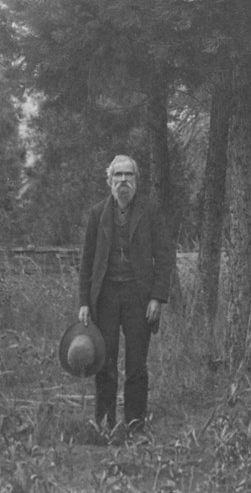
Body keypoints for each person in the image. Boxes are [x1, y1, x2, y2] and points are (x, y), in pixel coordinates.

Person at [78, 153, 175, 435]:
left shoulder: (150, 211)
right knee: (104, 362)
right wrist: (84, 302)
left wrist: (157, 297)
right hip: (105, 297)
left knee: (136, 364)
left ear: (136, 180)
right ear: (109, 181)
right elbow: (87, 261)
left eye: (128, 175)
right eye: (117, 175)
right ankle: (105, 424)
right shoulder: (98, 214)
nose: (123, 181)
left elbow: (165, 255)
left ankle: (135, 424)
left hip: (138, 297)